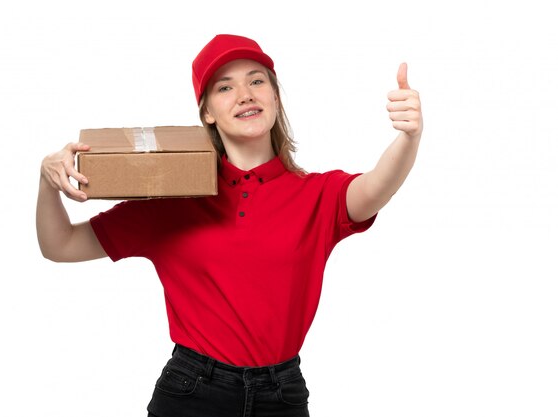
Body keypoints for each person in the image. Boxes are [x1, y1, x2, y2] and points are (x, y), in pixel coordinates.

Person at [36, 34, 423, 417]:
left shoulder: (318, 195)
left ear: (274, 97)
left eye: (257, 81)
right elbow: (61, 245)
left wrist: (409, 137)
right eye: (225, 87)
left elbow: (376, 187)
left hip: (282, 395)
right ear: (207, 112)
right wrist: (46, 181)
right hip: (191, 393)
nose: (245, 94)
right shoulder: (172, 201)